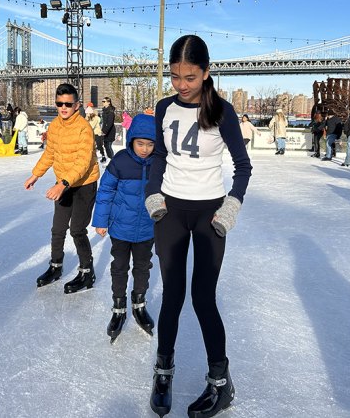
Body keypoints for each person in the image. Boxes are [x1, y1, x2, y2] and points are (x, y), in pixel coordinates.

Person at [145, 34, 252, 418]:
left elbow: (243, 166)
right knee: (172, 295)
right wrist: (152, 193)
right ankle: (163, 370)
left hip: (209, 214)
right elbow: (158, 154)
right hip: (170, 210)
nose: (181, 85)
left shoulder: (222, 112)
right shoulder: (163, 107)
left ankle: (220, 383)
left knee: (203, 298)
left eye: (190, 76)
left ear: (206, 73)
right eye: (175, 76)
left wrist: (231, 206)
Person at [24, 83, 100, 294]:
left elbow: (83, 162)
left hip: (84, 184)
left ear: (77, 105)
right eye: (59, 104)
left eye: (68, 103)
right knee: (58, 229)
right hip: (64, 184)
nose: (63, 107)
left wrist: (62, 184)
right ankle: (55, 266)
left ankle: (87, 272)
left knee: (77, 229)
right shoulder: (55, 126)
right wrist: (36, 175)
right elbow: (50, 154)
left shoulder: (84, 128)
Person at [92, 114, 157, 343]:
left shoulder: (159, 163)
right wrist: (101, 221)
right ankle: (118, 307)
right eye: (140, 143)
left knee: (142, 267)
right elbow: (105, 192)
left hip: (147, 229)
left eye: (150, 144)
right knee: (119, 267)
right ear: (131, 141)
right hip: (120, 228)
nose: (145, 149)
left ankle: (139, 304)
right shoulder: (120, 161)